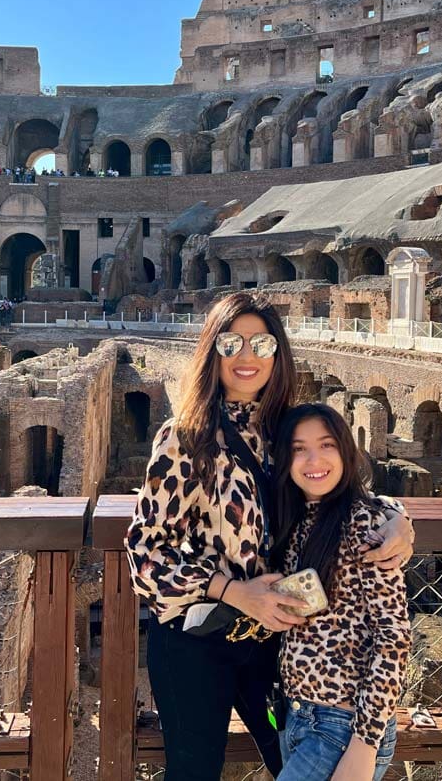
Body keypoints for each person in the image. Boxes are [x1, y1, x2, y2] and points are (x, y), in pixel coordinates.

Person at [126, 293, 413, 781]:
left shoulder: (285, 431)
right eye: (232, 342)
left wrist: (396, 516)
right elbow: (146, 553)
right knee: (194, 772)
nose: (246, 356)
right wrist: (237, 591)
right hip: (198, 639)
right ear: (211, 350)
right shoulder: (185, 437)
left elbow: (337, 491)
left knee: (296, 760)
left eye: (261, 344)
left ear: (277, 353)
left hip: (275, 639)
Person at [269, 403, 408, 781]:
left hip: (343, 725)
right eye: (299, 449)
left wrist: (365, 743)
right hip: (297, 716)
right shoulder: (295, 519)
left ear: (346, 450)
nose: (313, 459)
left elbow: (393, 636)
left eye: (326, 444)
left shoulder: (367, 524)